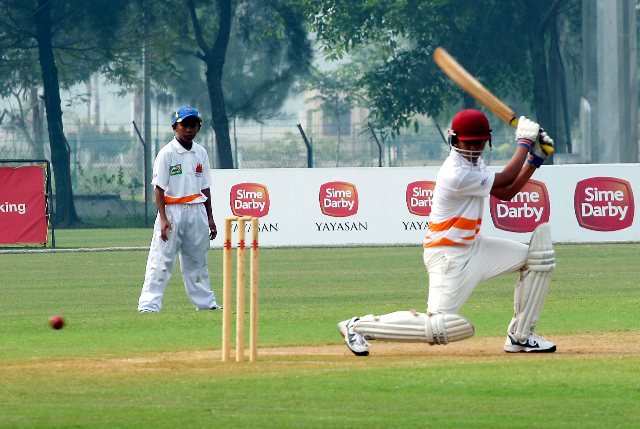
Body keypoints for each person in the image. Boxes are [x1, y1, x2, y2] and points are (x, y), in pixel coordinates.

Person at [338, 109, 556, 355]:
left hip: (475, 247)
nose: (474, 150)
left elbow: (505, 193)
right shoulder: (456, 173)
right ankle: (357, 326)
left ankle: (521, 336)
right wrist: (525, 144)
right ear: (454, 140)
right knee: (438, 326)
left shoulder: (474, 164)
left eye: (480, 143)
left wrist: (535, 159)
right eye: (469, 143)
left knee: (538, 260)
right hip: (447, 256)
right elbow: (505, 178)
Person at [138, 106, 221, 312]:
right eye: (184, 125)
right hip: (172, 211)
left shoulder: (201, 153)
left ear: (199, 127)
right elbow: (159, 189)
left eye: (193, 125)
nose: (189, 129)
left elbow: (205, 188)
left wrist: (210, 218)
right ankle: (149, 305)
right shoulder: (167, 153)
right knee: (161, 260)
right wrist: (164, 218)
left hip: (196, 210)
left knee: (197, 260)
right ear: (175, 127)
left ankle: (206, 303)